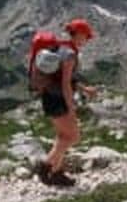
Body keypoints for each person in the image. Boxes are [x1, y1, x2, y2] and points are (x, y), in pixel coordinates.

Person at [35, 19, 97, 186]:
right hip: (58, 98)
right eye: (86, 36)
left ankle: (56, 173)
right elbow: (65, 83)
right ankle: (45, 166)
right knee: (73, 137)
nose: (86, 40)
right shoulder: (70, 54)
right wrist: (71, 107)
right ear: (78, 35)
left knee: (63, 136)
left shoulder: (61, 48)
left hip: (49, 96)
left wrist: (85, 90)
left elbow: (65, 79)